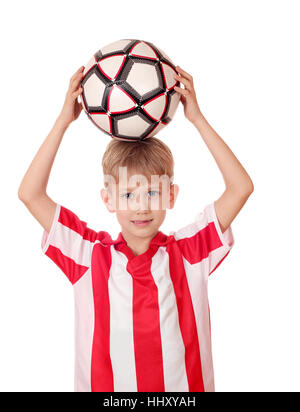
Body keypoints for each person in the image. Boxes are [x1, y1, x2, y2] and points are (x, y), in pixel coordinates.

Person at [18, 65, 254, 392]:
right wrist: (63, 122)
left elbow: (241, 188)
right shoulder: (87, 254)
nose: (142, 206)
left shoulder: (190, 252)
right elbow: (29, 194)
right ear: (108, 199)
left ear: (171, 196)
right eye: (128, 194)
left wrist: (197, 119)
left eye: (153, 192)